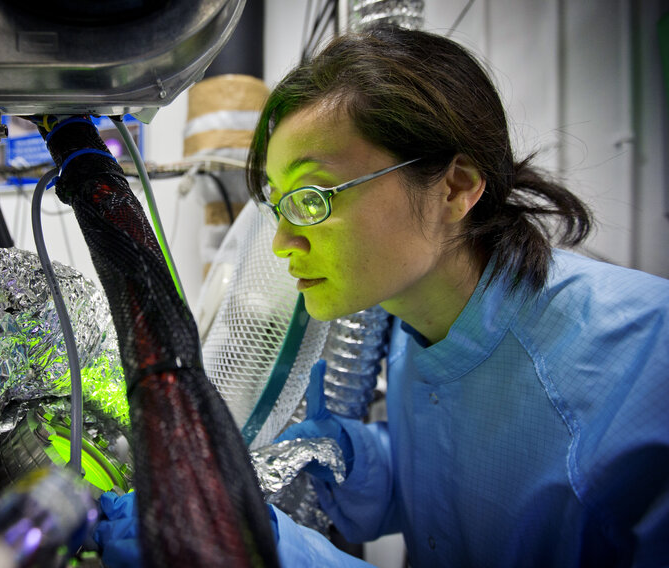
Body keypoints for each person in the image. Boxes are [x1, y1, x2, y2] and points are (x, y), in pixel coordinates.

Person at [96, 24, 669, 567]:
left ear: (456, 186)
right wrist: (369, 463)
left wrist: (274, 553)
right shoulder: (417, 317)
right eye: (278, 203)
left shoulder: (642, 362)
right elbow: (479, 484)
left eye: (313, 196)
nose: (281, 244)